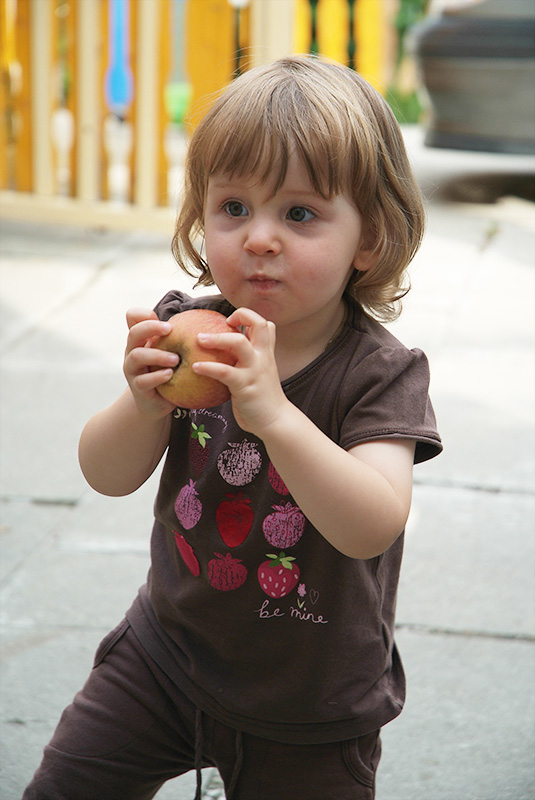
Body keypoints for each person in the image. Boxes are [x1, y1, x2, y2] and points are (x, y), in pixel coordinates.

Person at [24, 55, 442, 800]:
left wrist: (274, 414)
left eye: (300, 214)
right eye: (234, 208)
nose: (259, 238)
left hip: (311, 700)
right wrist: (142, 401)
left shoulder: (379, 372)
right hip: (166, 655)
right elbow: (105, 473)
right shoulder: (191, 327)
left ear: (369, 240)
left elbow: (371, 523)